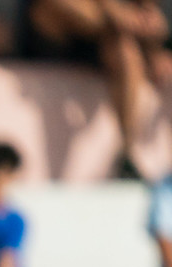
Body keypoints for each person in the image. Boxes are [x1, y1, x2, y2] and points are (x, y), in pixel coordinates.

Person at [24, 0, 167, 180]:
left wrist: (153, 42)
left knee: (126, 52)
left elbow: (148, 18)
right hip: (57, 37)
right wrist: (115, 12)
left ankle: (128, 152)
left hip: (105, 42)